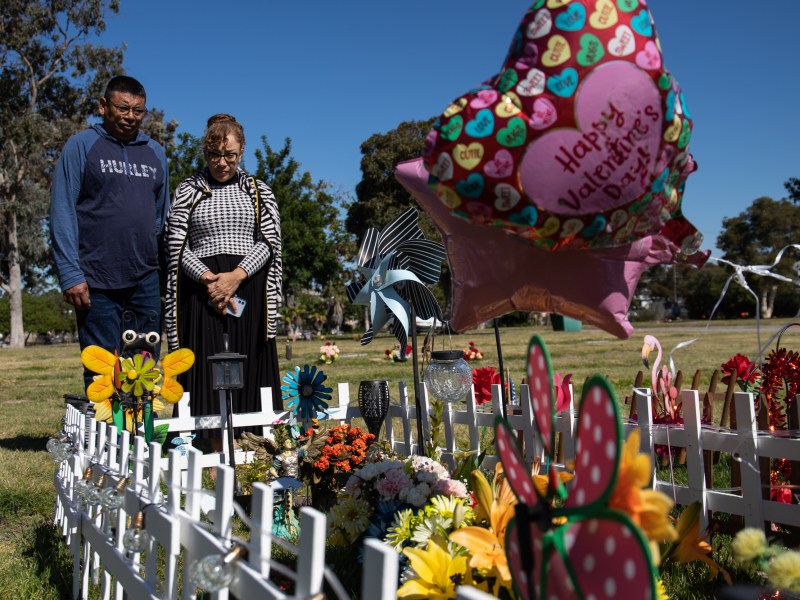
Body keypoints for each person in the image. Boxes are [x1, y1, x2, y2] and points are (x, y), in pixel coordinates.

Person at [164, 114, 283, 442]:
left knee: (247, 363)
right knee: (206, 365)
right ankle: (208, 442)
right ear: (205, 152)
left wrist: (235, 276)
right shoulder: (189, 190)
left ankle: (253, 441)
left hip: (248, 287)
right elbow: (175, 243)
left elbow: (269, 240)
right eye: (214, 155)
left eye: (229, 155)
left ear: (241, 151)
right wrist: (208, 279)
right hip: (202, 293)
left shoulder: (259, 191)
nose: (222, 163)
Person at [49, 75, 169, 388]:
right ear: (103, 106)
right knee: (103, 368)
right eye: (123, 108)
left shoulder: (155, 153)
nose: (131, 116)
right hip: (95, 279)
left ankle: (139, 433)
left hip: (144, 279)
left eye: (138, 111)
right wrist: (71, 274)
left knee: (143, 366)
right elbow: (62, 210)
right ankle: (107, 436)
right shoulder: (81, 146)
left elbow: (160, 218)